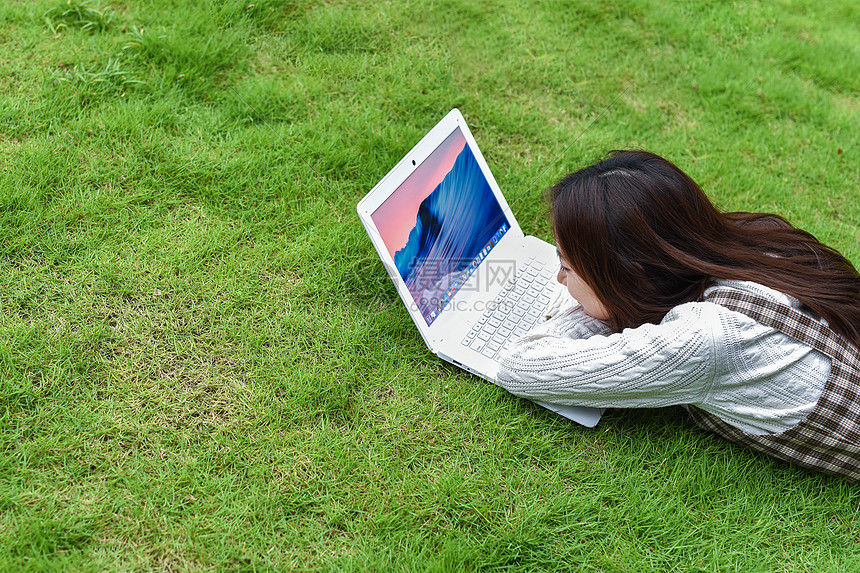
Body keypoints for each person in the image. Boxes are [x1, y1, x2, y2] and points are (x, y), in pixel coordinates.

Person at [495, 150, 860, 482]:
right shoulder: (747, 241)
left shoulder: (704, 340)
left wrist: (593, 308)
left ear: (628, 272)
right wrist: (603, 292)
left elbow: (520, 367)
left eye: (566, 266)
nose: (559, 279)